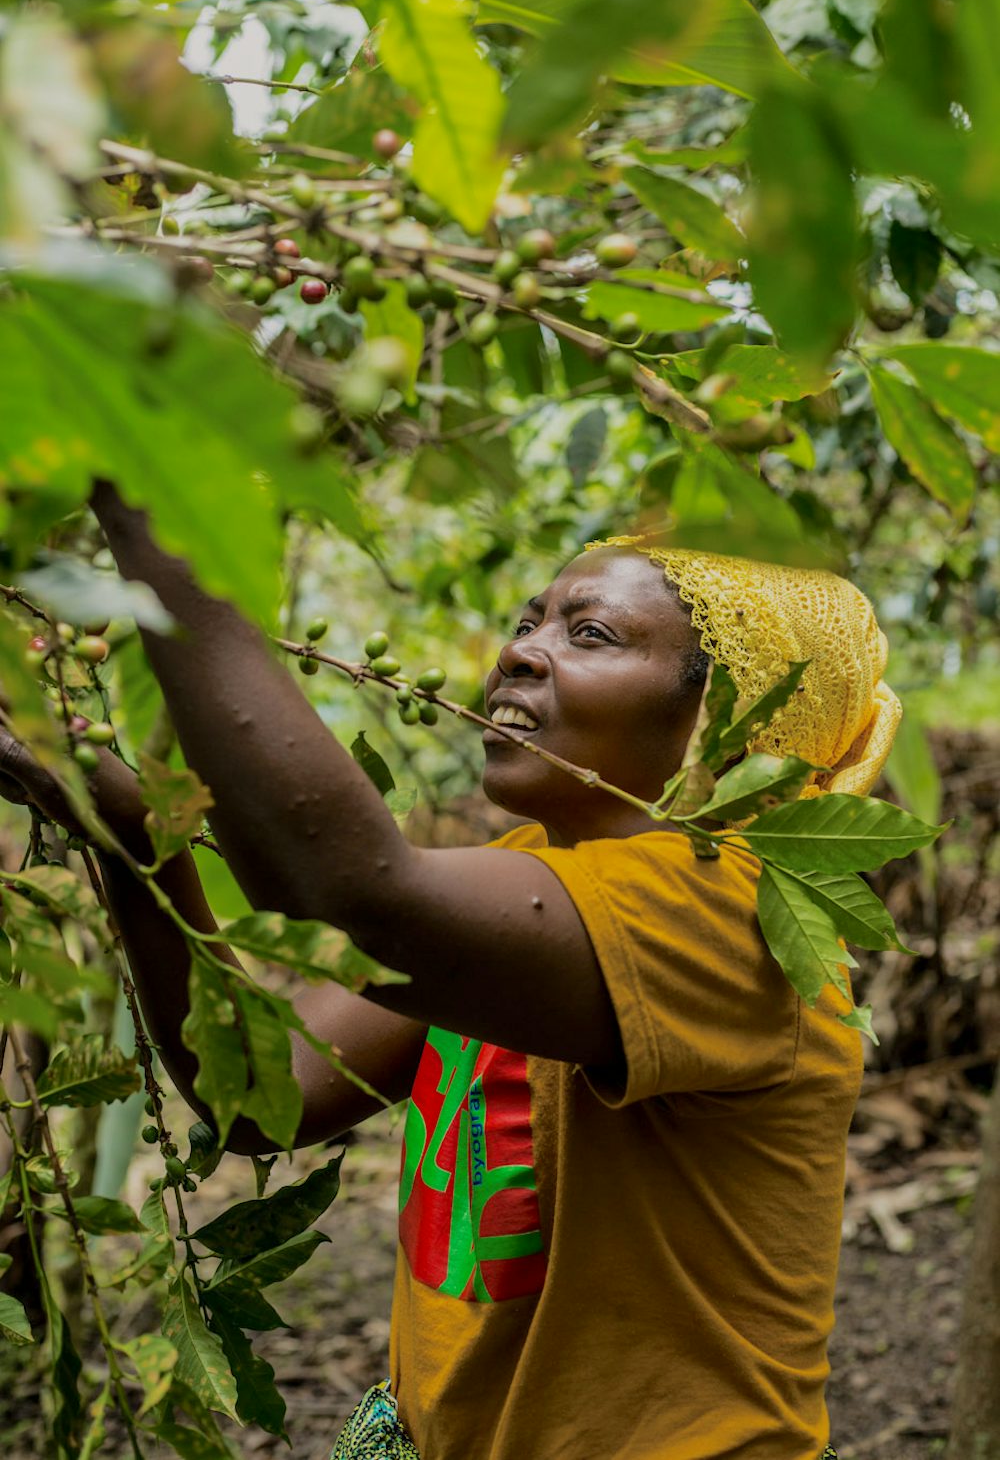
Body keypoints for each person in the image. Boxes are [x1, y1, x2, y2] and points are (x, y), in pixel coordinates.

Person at [0, 487, 901, 1460]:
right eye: (529, 621)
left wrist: (151, 494)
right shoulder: (533, 880)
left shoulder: (730, 916)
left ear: (726, 718)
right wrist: (138, 841)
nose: (518, 650)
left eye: (590, 633)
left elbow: (347, 885)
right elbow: (263, 1094)